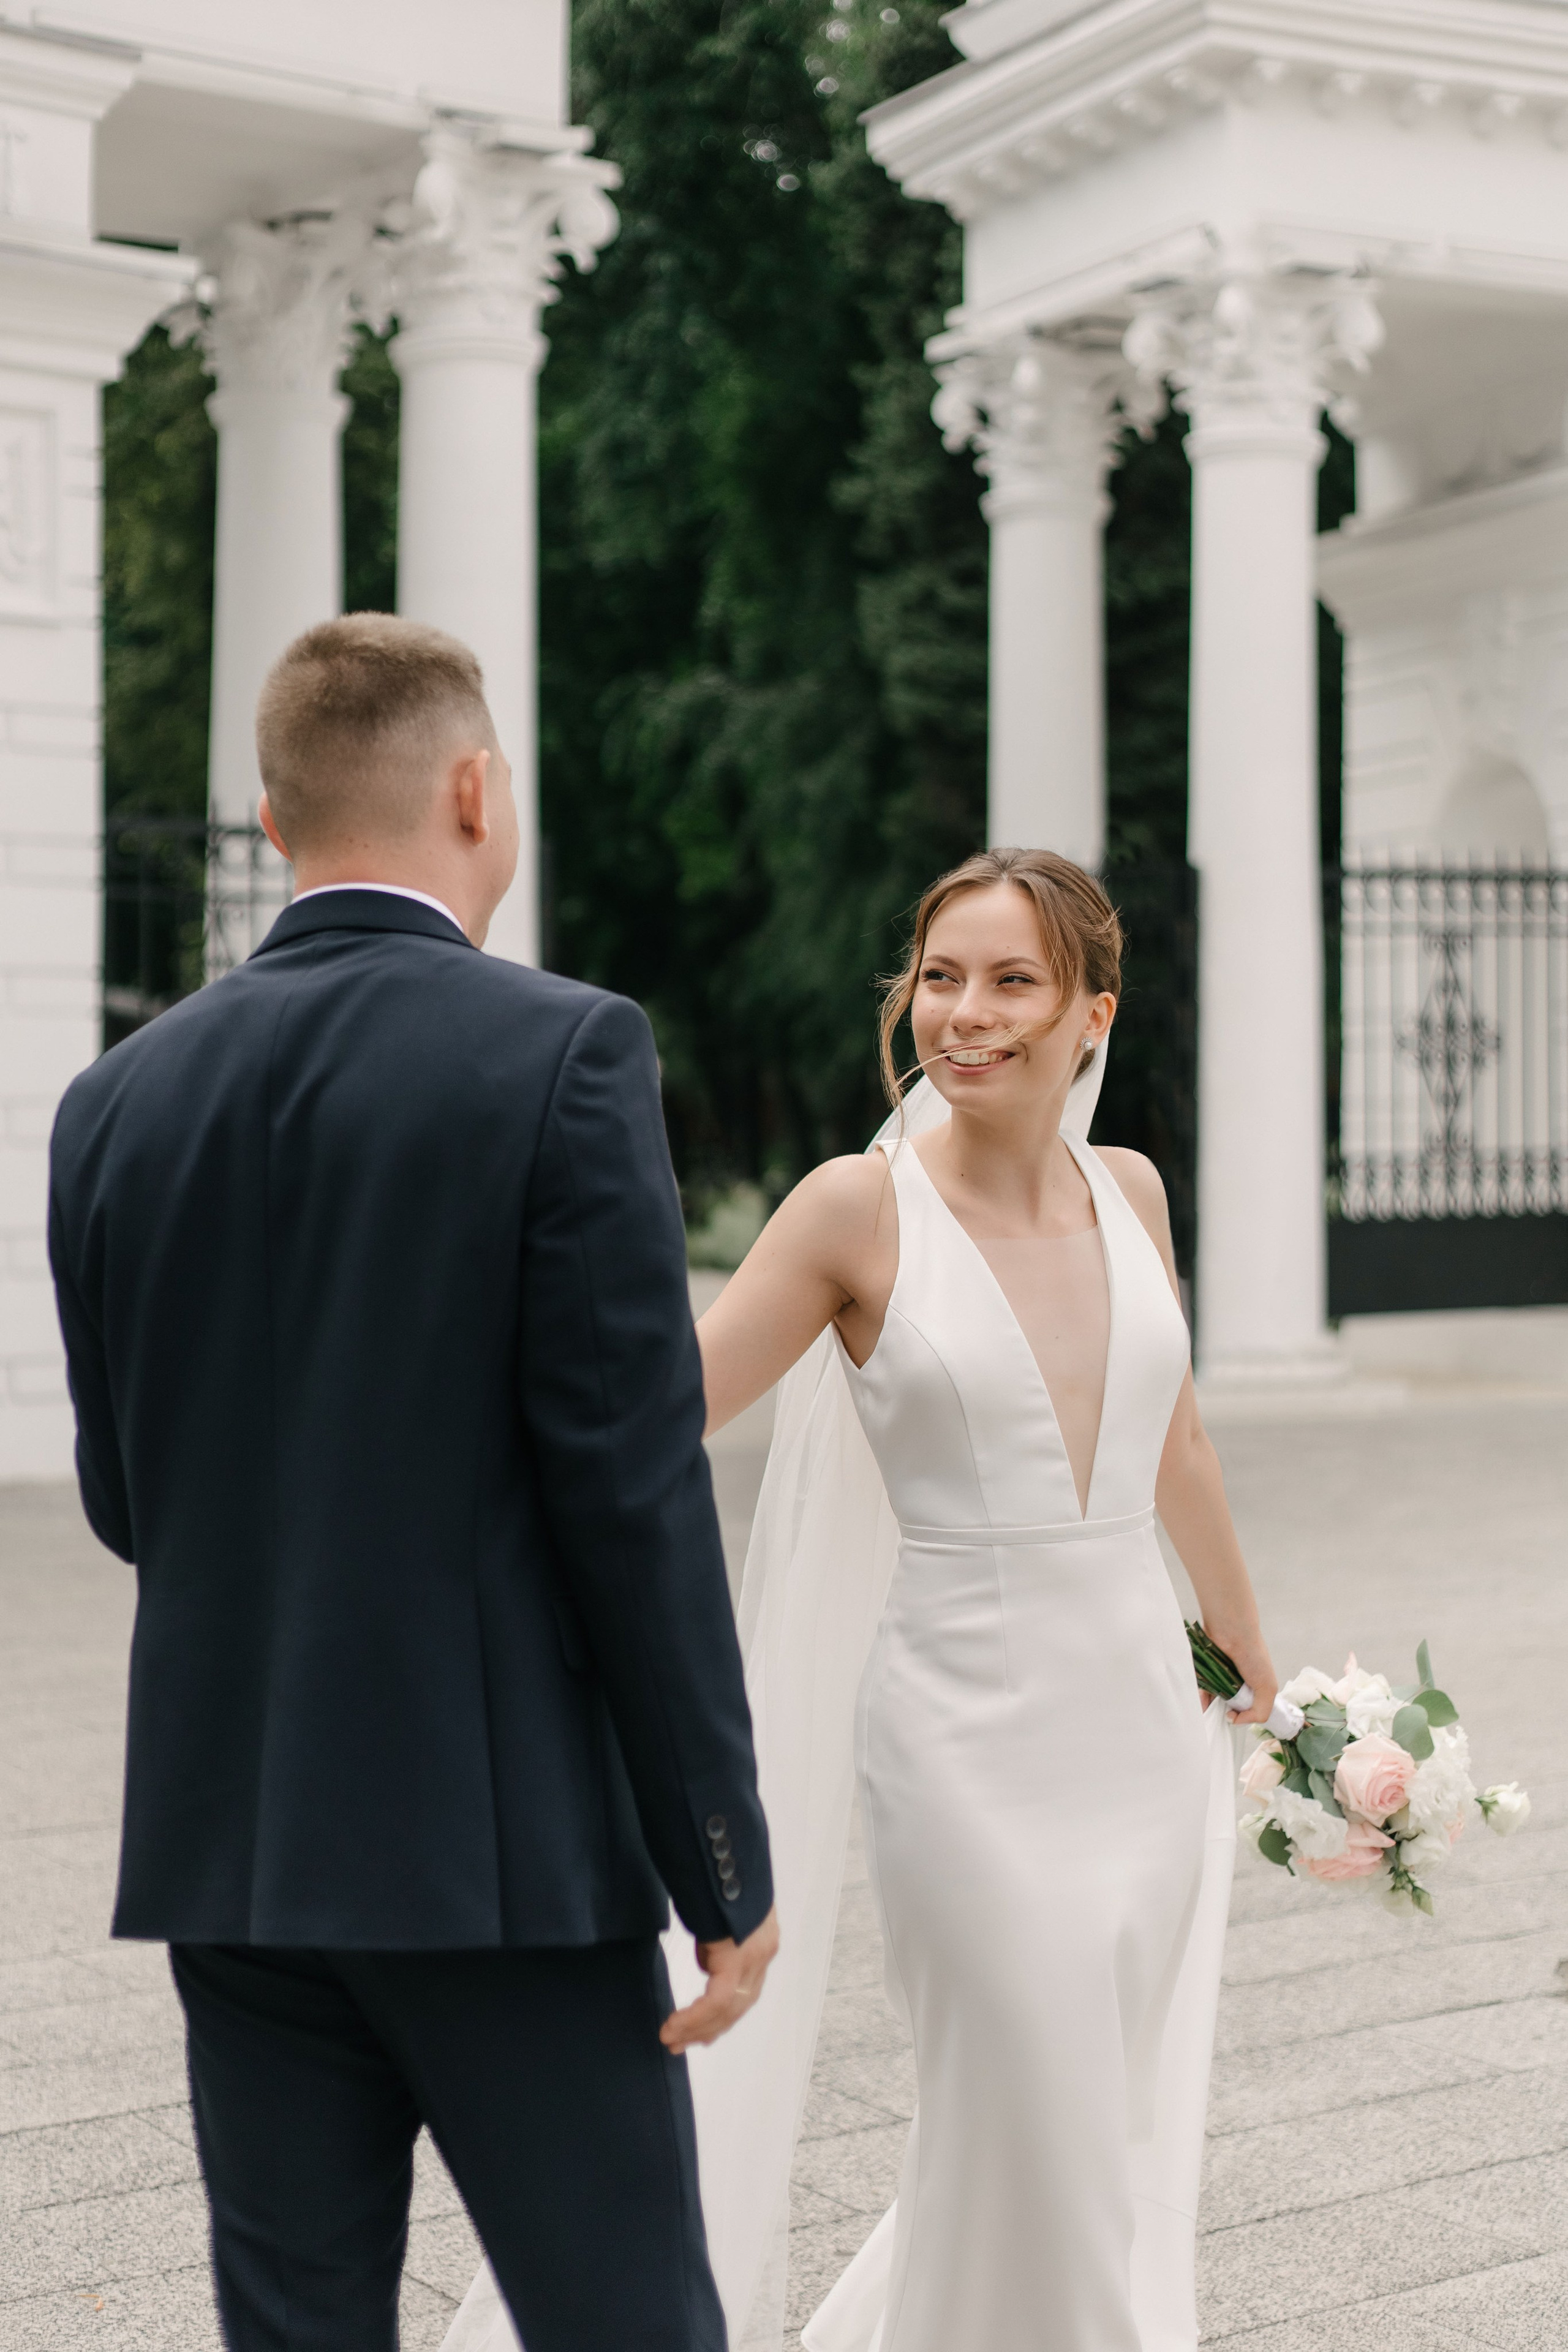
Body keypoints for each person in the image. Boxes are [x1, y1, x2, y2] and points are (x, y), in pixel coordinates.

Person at [47, 613, 778, 2352]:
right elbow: (632, 1499)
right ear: (473, 787)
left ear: (276, 813)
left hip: (237, 1850)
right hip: (499, 1859)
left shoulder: (111, 1103)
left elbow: (122, 1499)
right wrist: (722, 1868)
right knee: (629, 2326)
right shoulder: (564, 1054)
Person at [688, 849, 1277, 2352]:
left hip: (1142, 1729)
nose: (965, 1014)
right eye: (940, 977)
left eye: (1012, 980)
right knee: (1026, 2097)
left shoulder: (1129, 1191)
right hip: (961, 1744)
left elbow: (1181, 1439)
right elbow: (661, 1403)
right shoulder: (853, 1213)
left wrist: (1250, 1654)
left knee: (1088, 2137)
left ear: (1091, 1011)